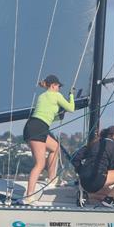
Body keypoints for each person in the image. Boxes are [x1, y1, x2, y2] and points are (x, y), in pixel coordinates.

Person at [22, 74, 76, 204]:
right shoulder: (56, 95)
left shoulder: (42, 96)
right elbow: (71, 108)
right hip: (38, 128)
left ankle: (51, 179)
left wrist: (58, 116)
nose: (59, 89)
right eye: (58, 86)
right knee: (39, 164)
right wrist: (72, 96)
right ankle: (29, 195)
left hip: (35, 125)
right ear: (53, 85)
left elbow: (47, 114)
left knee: (55, 147)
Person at [73, 126, 114, 207]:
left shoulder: (94, 142)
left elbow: (74, 158)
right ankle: (109, 200)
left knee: (110, 194)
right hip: (97, 179)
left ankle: (86, 195)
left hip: (84, 181)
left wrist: (81, 171)